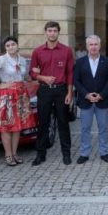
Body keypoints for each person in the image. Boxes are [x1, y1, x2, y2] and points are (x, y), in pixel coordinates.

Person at [0, 36, 36, 166]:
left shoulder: (22, 60)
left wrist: (31, 76)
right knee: (6, 126)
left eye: (13, 44)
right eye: (7, 45)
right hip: (7, 95)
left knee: (17, 127)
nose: (11, 47)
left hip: (20, 95)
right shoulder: (2, 59)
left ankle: (14, 153)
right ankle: (8, 155)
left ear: (17, 46)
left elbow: (24, 76)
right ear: (5, 48)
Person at [29, 21, 74, 166]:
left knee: (63, 123)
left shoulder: (66, 50)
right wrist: (43, 78)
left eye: (55, 30)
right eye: (49, 30)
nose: (52, 33)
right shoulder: (38, 51)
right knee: (43, 123)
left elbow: (70, 73)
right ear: (45, 32)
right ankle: (40, 154)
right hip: (44, 90)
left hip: (61, 90)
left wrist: (69, 93)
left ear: (58, 32)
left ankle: (66, 154)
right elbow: (32, 73)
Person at [73, 34, 108, 165]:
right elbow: (76, 81)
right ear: (87, 46)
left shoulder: (107, 61)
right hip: (86, 101)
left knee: (103, 128)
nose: (93, 47)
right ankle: (84, 153)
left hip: (102, 100)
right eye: (91, 44)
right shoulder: (80, 62)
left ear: (100, 46)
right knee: (85, 128)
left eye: (96, 44)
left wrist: (101, 94)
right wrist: (86, 94)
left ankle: (104, 152)